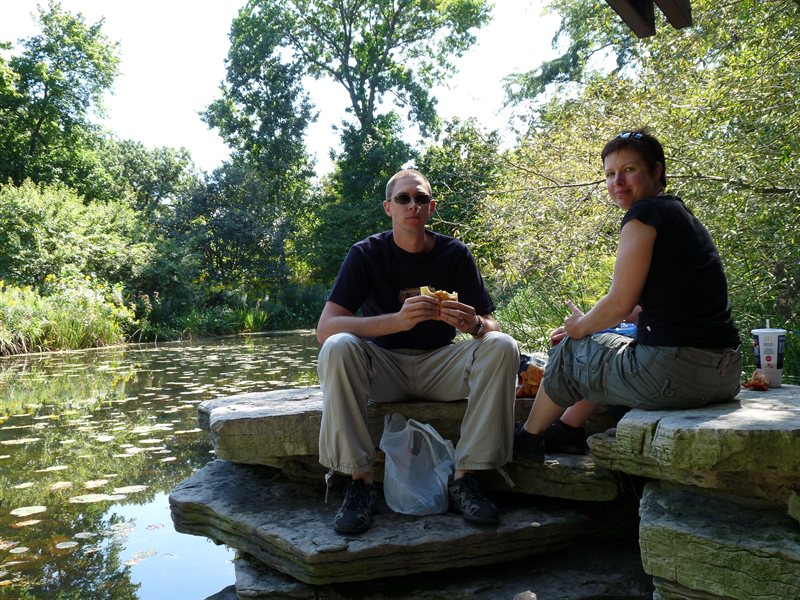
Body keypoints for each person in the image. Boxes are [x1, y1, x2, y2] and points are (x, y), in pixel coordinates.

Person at [515, 129, 742, 461]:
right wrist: (591, 324)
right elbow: (647, 308)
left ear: (656, 171)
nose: (617, 182)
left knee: (572, 349)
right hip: (725, 374)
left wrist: (579, 328)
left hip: (677, 375)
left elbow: (620, 304)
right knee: (605, 344)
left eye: (629, 170)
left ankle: (528, 438)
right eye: (610, 174)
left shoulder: (643, 215)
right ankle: (566, 429)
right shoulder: (679, 215)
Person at [316, 169, 519, 534]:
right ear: (388, 208)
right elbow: (325, 327)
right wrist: (396, 321)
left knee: (502, 345)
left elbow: (493, 325)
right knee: (337, 346)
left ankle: (466, 477)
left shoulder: (454, 254)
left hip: (441, 366)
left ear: (431, 207)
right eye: (403, 199)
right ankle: (359, 482)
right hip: (383, 369)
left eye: (421, 198)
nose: (413, 205)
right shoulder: (366, 254)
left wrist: (474, 324)